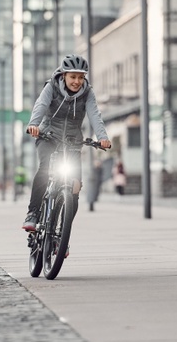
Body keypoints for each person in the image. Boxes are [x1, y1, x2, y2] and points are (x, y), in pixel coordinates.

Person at [23, 54, 111, 231]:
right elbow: (41, 105)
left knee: (75, 187)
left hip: (72, 141)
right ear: (63, 75)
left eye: (81, 77)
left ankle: (64, 233)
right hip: (48, 136)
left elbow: (95, 115)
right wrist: (34, 124)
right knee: (45, 168)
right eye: (73, 76)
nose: (77, 81)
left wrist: (102, 137)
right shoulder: (52, 87)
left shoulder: (87, 93)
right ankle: (32, 213)